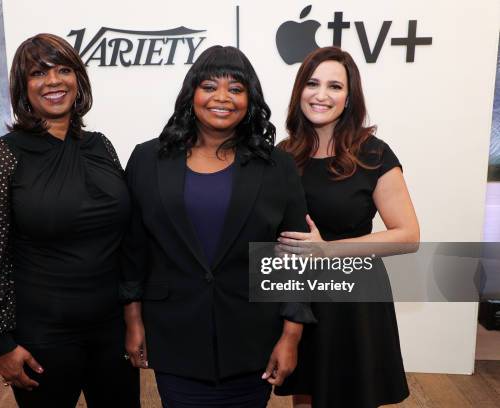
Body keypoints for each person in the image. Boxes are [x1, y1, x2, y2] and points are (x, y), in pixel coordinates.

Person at [119, 45, 316, 408]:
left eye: (236, 89)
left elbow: (295, 258)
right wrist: (133, 320)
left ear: (249, 99)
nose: (222, 97)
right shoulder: (148, 159)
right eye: (209, 86)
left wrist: (291, 335)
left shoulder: (277, 166)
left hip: (252, 340)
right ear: (191, 92)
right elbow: (133, 248)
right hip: (174, 336)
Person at [0, 33, 139, 408]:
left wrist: (134, 317)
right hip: (42, 337)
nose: (54, 81)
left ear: (79, 79)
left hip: (111, 329)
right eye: (38, 74)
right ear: (23, 87)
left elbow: (125, 239)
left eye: (63, 70)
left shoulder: (102, 146)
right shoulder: (0, 156)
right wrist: (1, 345)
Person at [274, 46, 420, 407]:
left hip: (354, 299)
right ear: (299, 91)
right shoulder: (284, 155)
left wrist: (328, 250)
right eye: (312, 83)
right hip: (299, 297)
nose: (321, 94)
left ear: (349, 97)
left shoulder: (373, 154)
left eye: (335, 86)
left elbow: (408, 236)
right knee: (305, 396)